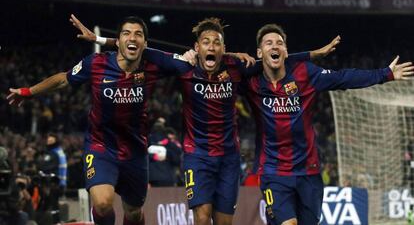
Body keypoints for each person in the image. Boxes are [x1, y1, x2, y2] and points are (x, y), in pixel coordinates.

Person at [70, 15, 339, 225]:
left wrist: (312, 54)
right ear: (196, 48)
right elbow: (144, 51)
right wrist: (100, 39)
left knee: (222, 221)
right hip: (196, 156)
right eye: (206, 43)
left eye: (217, 43)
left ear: (224, 48)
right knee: (201, 217)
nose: (211, 47)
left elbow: (274, 60)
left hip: (229, 158)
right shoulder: (184, 68)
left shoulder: (235, 69)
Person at [7, 16, 195, 225]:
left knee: (133, 212)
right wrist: (29, 91)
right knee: (103, 204)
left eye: (138, 34)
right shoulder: (97, 63)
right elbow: (63, 79)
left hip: (135, 150)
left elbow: (203, 60)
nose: (132, 38)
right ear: (118, 40)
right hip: (101, 146)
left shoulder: (154, 62)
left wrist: (195, 56)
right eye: (126, 33)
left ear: (145, 44)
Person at [243, 23, 414, 225]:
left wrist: (385, 74)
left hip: (309, 171)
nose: (275, 47)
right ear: (259, 52)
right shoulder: (249, 81)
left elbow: (343, 78)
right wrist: (193, 56)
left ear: (286, 51)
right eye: (268, 43)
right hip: (273, 172)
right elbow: (219, 66)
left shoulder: (304, 73)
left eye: (280, 43)